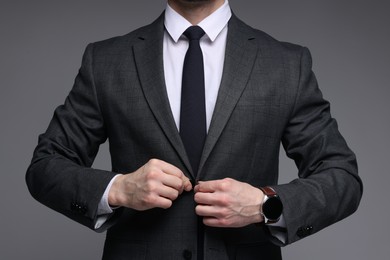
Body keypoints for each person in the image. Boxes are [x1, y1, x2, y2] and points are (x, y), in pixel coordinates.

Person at [26, 0, 363, 259]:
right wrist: (119, 190)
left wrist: (264, 204)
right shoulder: (106, 60)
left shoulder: (286, 63)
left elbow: (342, 177)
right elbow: (45, 166)